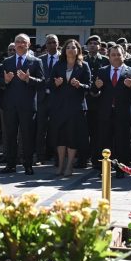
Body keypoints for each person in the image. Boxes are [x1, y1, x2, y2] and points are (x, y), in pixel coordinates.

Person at [0, 33, 43, 175]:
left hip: (27, 106)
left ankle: (28, 165)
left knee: (27, 136)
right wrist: (5, 81)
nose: (20, 44)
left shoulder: (36, 61)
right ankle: (10, 164)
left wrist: (28, 79)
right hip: (10, 106)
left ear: (28, 44)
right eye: (17, 41)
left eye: (23, 42)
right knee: (10, 136)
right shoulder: (7, 62)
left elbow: (42, 82)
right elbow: (0, 83)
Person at [92, 45, 131, 177]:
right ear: (109, 56)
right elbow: (93, 91)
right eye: (113, 55)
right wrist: (96, 87)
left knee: (122, 141)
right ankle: (105, 168)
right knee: (104, 140)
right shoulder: (102, 71)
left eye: (119, 54)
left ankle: (120, 169)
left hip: (123, 112)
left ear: (124, 56)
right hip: (105, 112)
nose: (116, 57)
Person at [49, 40, 92, 176]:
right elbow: (49, 84)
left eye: (73, 47)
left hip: (76, 107)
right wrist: (56, 83)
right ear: (64, 50)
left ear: (78, 50)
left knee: (72, 136)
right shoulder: (58, 65)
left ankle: (69, 166)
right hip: (60, 106)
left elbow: (89, 86)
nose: (71, 49)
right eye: (68, 47)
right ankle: (61, 165)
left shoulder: (83, 65)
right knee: (60, 136)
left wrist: (80, 85)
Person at [35, 34, 61, 165]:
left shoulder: (64, 58)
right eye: (49, 43)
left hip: (58, 99)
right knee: (41, 129)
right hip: (42, 98)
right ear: (45, 45)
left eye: (53, 42)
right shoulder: (40, 59)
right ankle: (40, 157)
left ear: (58, 44)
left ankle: (58, 158)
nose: (51, 45)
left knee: (57, 129)